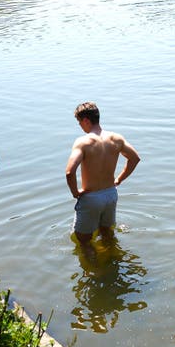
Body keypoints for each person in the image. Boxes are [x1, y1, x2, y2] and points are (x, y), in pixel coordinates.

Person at [65, 102, 141, 250]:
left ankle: (93, 271)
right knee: (107, 233)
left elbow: (69, 172)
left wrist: (75, 193)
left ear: (86, 120)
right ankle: (112, 258)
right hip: (111, 194)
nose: (80, 126)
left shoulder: (83, 142)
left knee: (83, 239)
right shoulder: (116, 138)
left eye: (79, 122)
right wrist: (119, 179)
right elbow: (135, 158)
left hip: (91, 197)